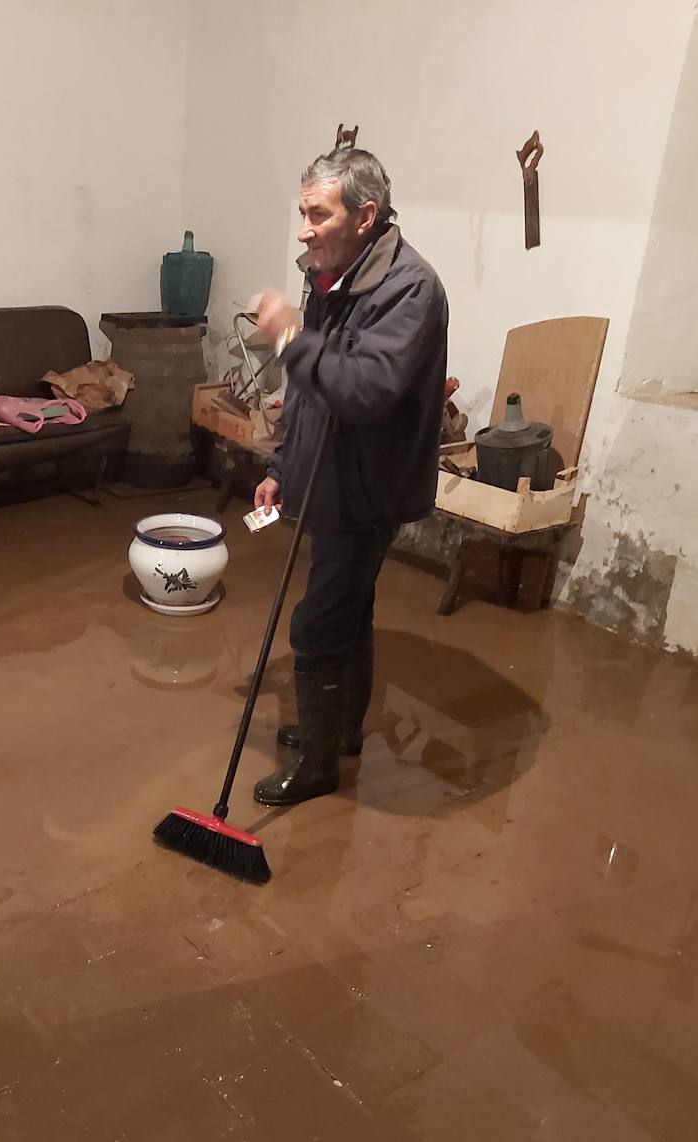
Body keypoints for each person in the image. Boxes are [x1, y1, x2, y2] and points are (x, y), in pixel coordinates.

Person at [252, 146, 448, 806]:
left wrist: (286, 338)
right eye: (301, 213)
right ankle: (336, 733)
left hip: (367, 491)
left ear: (364, 216)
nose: (303, 230)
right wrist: (283, 465)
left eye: (316, 214)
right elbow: (313, 392)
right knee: (350, 612)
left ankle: (316, 766)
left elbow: (362, 390)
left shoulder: (410, 291)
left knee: (314, 625)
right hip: (328, 479)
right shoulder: (334, 274)